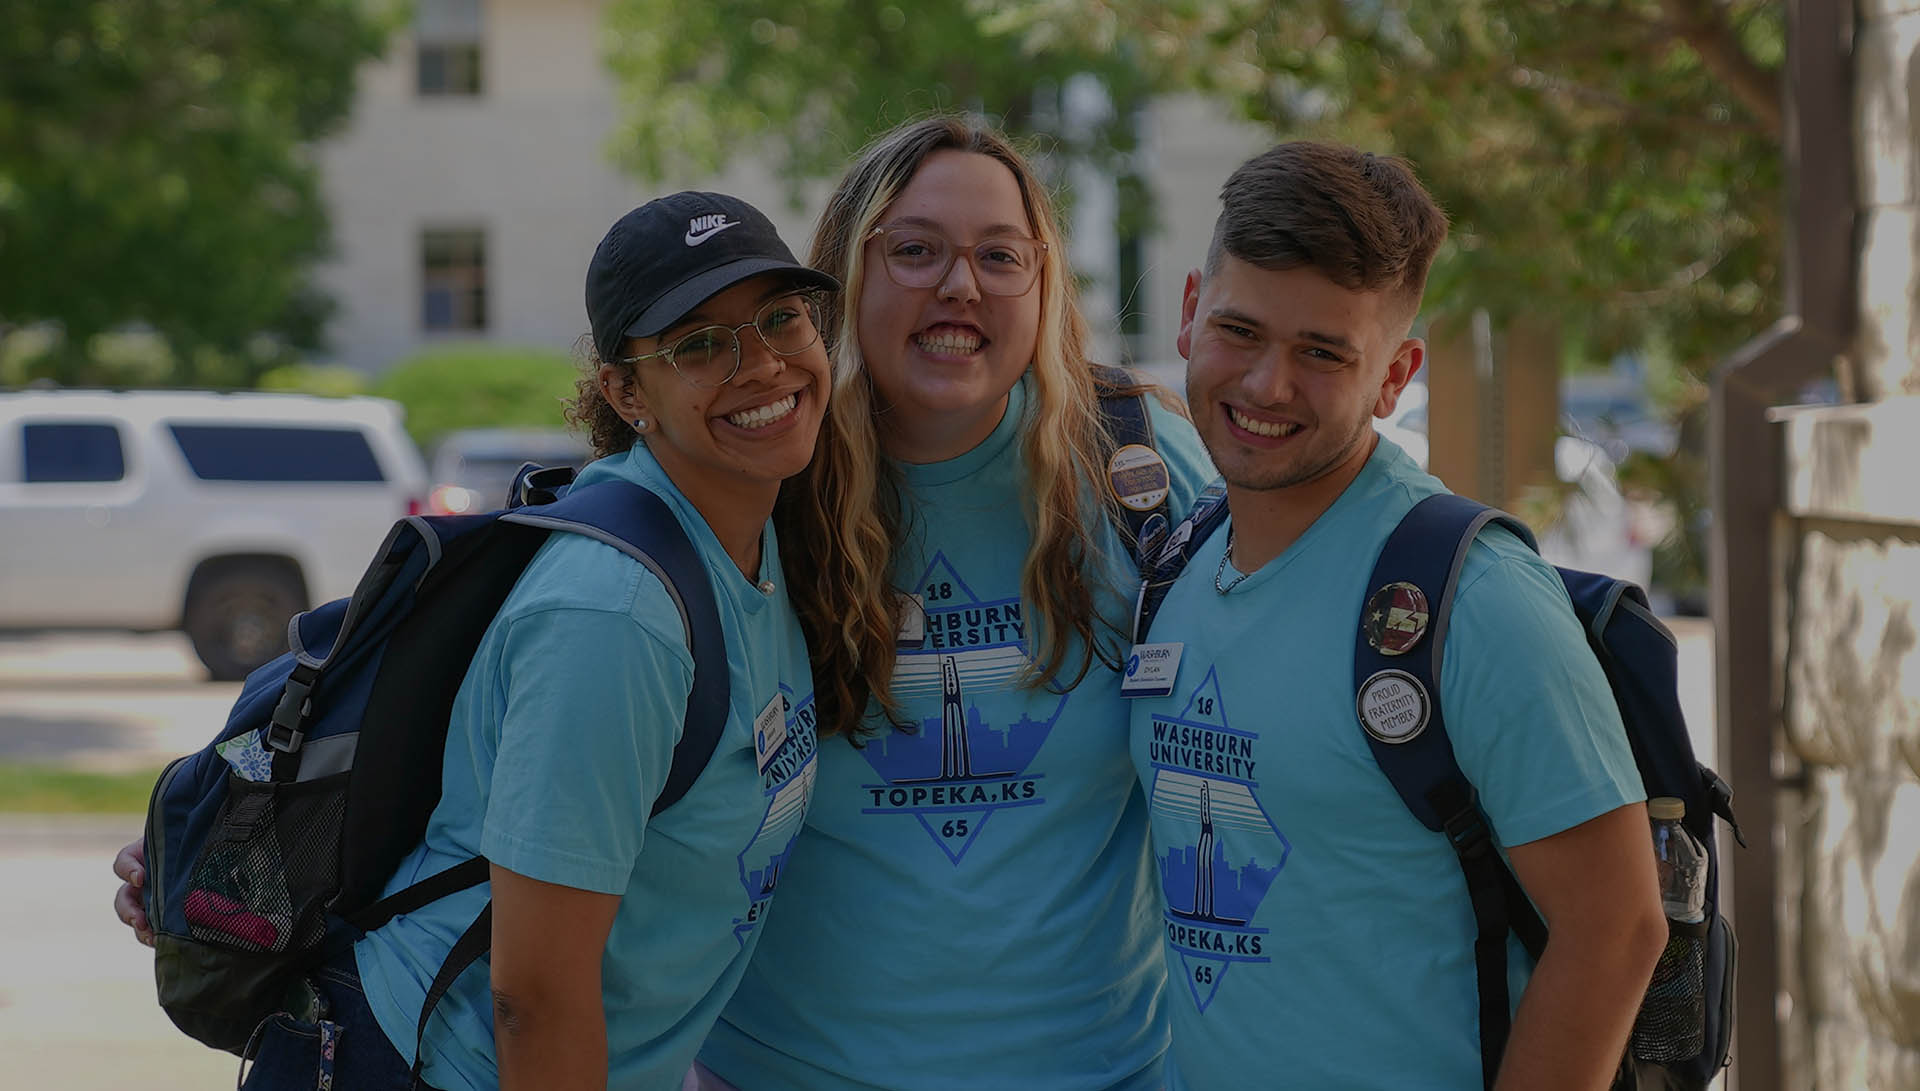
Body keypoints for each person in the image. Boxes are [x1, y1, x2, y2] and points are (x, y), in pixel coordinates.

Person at [119, 192, 838, 1091]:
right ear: (625, 390)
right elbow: (532, 996)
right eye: (699, 344)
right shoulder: (617, 617)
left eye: (782, 318)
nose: (764, 364)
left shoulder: (750, 533)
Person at [1126, 141, 1668, 1089]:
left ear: (1394, 374)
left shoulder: (1476, 601)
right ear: (1186, 313)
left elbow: (1617, 929)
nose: (1266, 386)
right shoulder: (1179, 563)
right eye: (1240, 331)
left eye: (1323, 352)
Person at [698, 117, 1217, 1089]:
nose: (960, 283)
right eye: (916, 250)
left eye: (998, 254)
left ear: (1043, 279)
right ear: (847, 273)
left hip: (1103, 1072)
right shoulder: (767, 479)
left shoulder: (1140, 466)